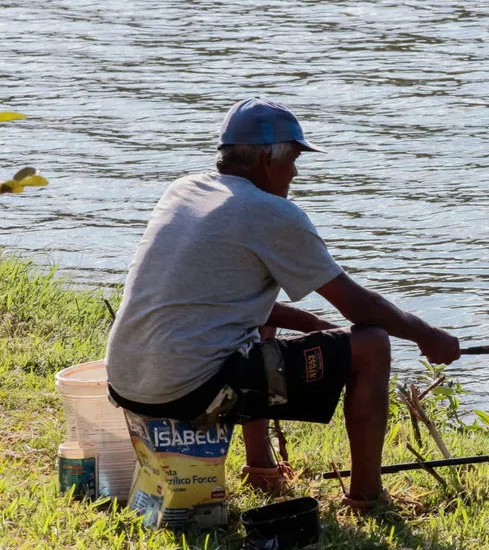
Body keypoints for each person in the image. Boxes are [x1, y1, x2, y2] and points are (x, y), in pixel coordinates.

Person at [105, 98, 460, 508]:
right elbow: (358, 308)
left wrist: (311, 324)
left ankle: (262, 469)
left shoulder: (185, 189)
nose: (294, 171)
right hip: (187, 390)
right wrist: (427, 335)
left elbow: (221, 302)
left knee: (261, 328)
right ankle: (367, 496)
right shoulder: (272, 213)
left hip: (128, 382)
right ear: (265, 160)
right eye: (292, 158)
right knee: (373, 344)